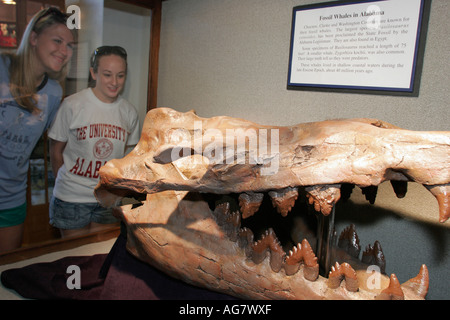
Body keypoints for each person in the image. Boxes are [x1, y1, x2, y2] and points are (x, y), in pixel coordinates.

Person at [0, 7, 75, 253]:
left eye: (70, 45)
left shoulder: (53, 92)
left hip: (12, 197)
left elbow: (58, 142)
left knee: (7, 269)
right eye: (57, 40)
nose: (64, 51)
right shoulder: (2, 67)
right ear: (33, 38)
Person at [48, 46, 140, 238]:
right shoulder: (72, 105)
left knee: (99, 257)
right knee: (74, 258)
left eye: (120, 76)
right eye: (107, 74)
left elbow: (128, 159)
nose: (114, 82)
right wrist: (66, 184)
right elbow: (56, 152)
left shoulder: (129, 112)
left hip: (107, 199)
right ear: (94, 73)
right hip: (71, 199)